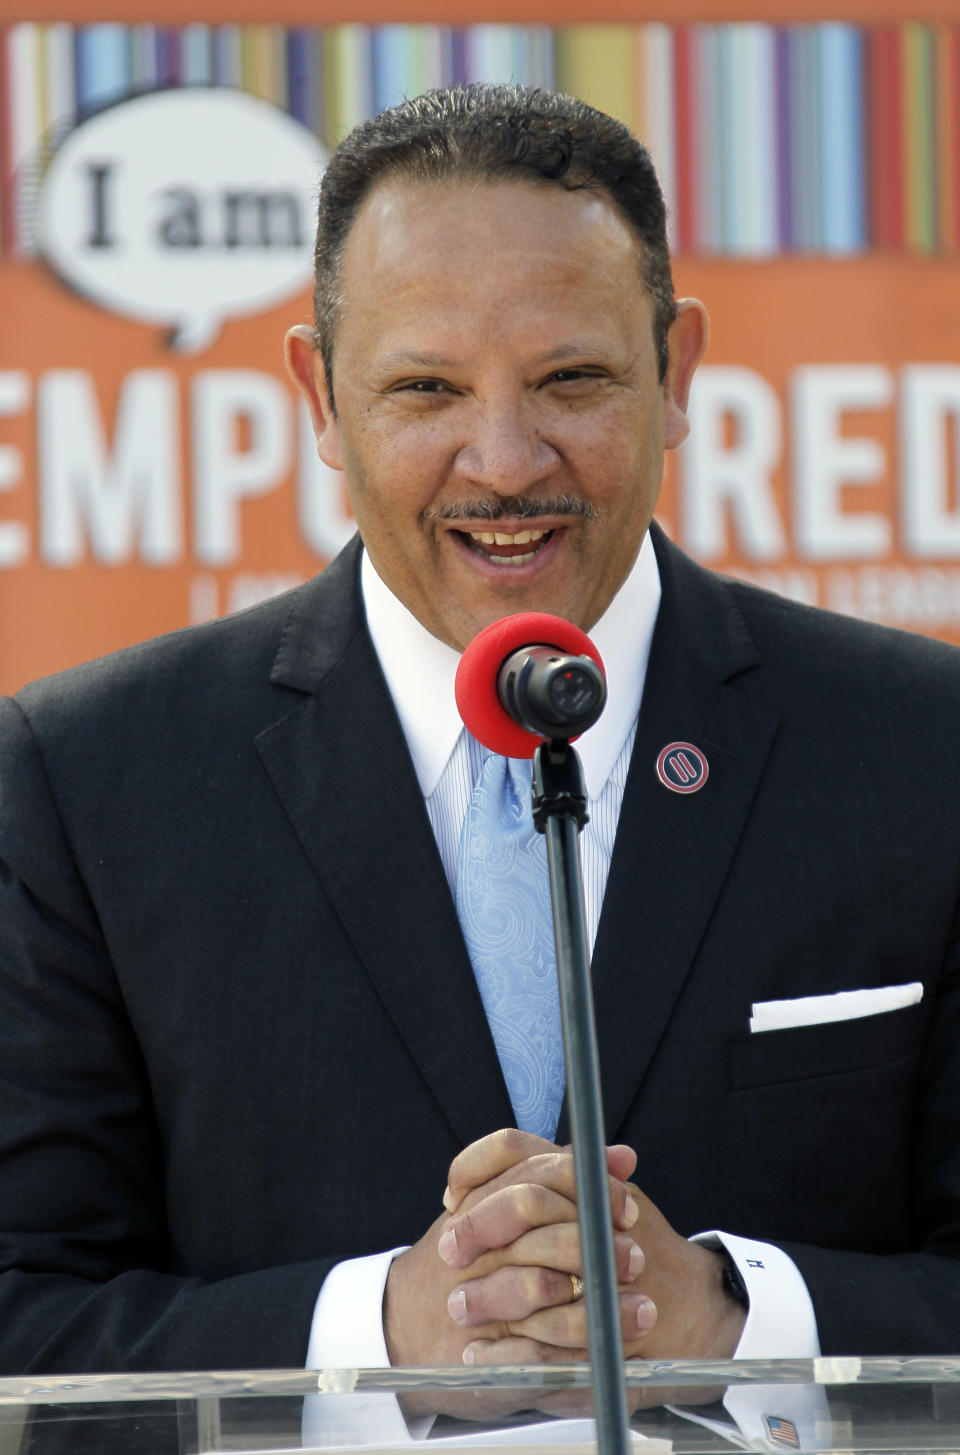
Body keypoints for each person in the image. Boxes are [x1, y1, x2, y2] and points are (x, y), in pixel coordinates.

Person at [1, 83, 959, 1424]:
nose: (503, 463)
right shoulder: (82, 779)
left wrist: (730, 1320)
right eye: (425, 389)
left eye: (572, 379)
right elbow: (24, 1310)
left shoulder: (925, 745)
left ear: (676, 372)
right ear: (319, 398)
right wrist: (383, 1331)